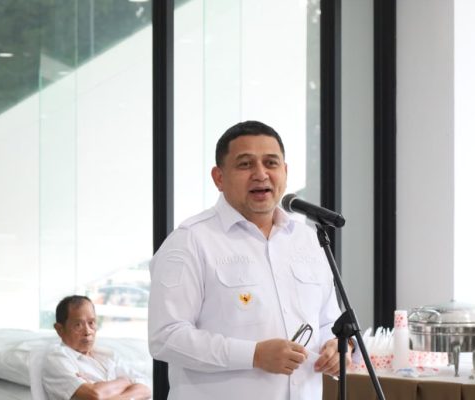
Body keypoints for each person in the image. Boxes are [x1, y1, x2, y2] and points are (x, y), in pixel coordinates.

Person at [148, 120, 348, 399]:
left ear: (285, 171)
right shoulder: (190, 240)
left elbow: (328, 321)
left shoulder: (308, 240)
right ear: (219, 177)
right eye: (245, 164)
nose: (261, 174)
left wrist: (336, 347)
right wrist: (254, 355)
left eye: (271, 163)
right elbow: (166, 336)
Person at [42, 295, 151, 400]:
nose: (87, 331)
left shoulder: (108, 355)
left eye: (91, 323)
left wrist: (117, 396)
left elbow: (146, 388)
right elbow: (95, 394)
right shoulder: (57, 358)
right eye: (78, 325)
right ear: (60, 329)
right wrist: (126, 381)